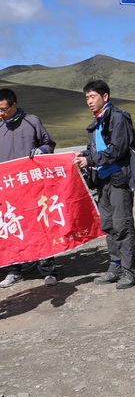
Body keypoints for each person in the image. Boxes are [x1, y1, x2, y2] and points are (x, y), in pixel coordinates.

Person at [74, 80, 135, 290]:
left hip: (119, 179)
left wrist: (91, 160)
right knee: (108, 225)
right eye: (86, 97)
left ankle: (129, 271)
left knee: (122, 225)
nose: (89, 101)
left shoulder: (118, 117)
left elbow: (118, 149)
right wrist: (84, 154)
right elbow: (95, 149)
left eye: (92, 96)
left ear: (105, 97)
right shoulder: (97, 121)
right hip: (102, 180)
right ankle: (115, 266)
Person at [0, 88, 58, 288]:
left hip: (32, 186)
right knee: (11, 229)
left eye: (4, 109)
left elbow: (49, 144)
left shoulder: (32, 122)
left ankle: (48, 270)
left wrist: (42, 150)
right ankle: (15, 271)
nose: (1, 114)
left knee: (40, 227)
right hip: (8, 189)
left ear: (14, 105)